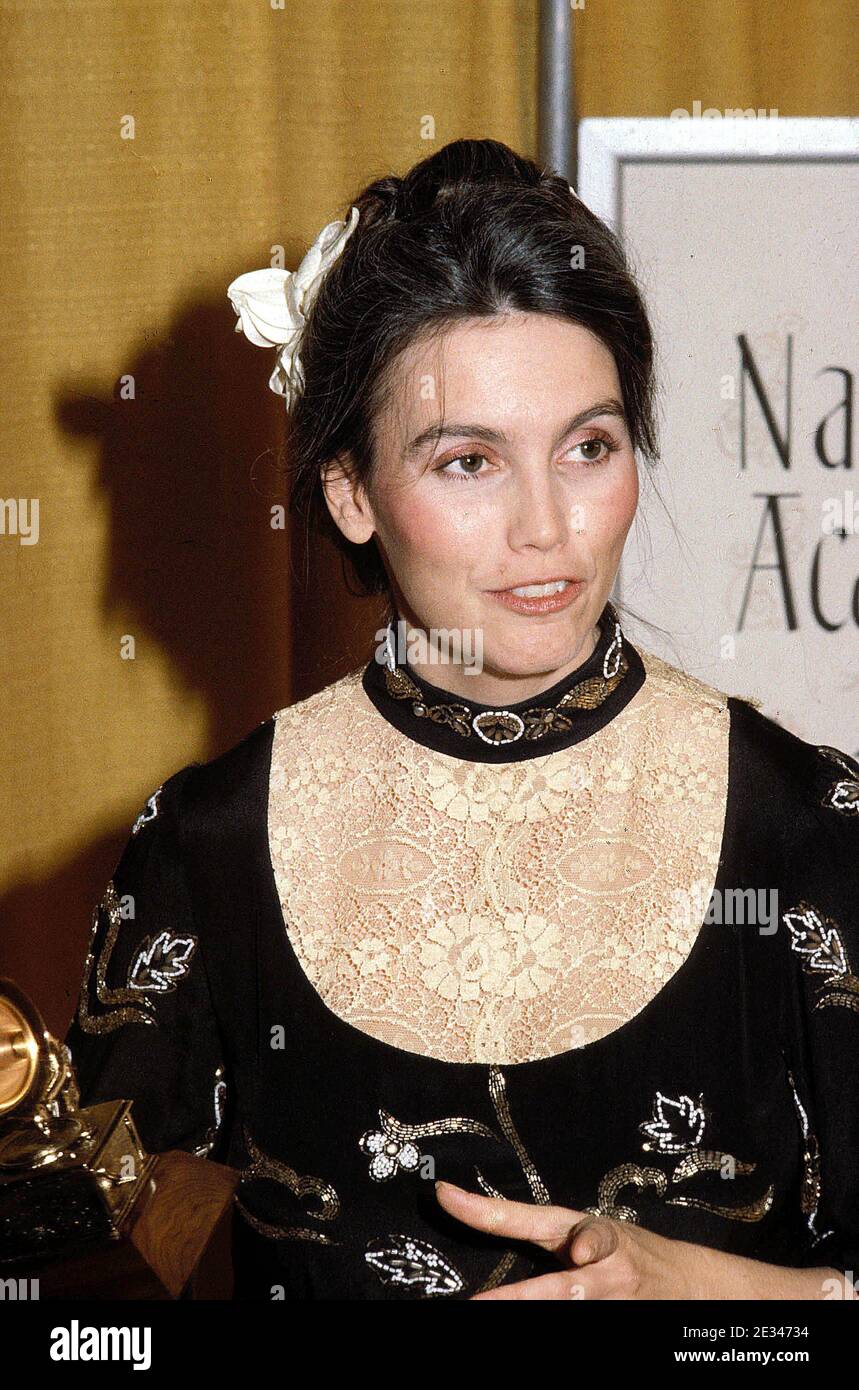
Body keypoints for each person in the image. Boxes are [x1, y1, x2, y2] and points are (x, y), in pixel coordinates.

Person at [65, 138, 859, 1301]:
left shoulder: (807, 826)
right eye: (468, 462)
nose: (547, 526)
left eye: (588, 447)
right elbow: (82, 1303)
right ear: (348, 490)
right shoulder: (207, 848)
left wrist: (717, 1297)